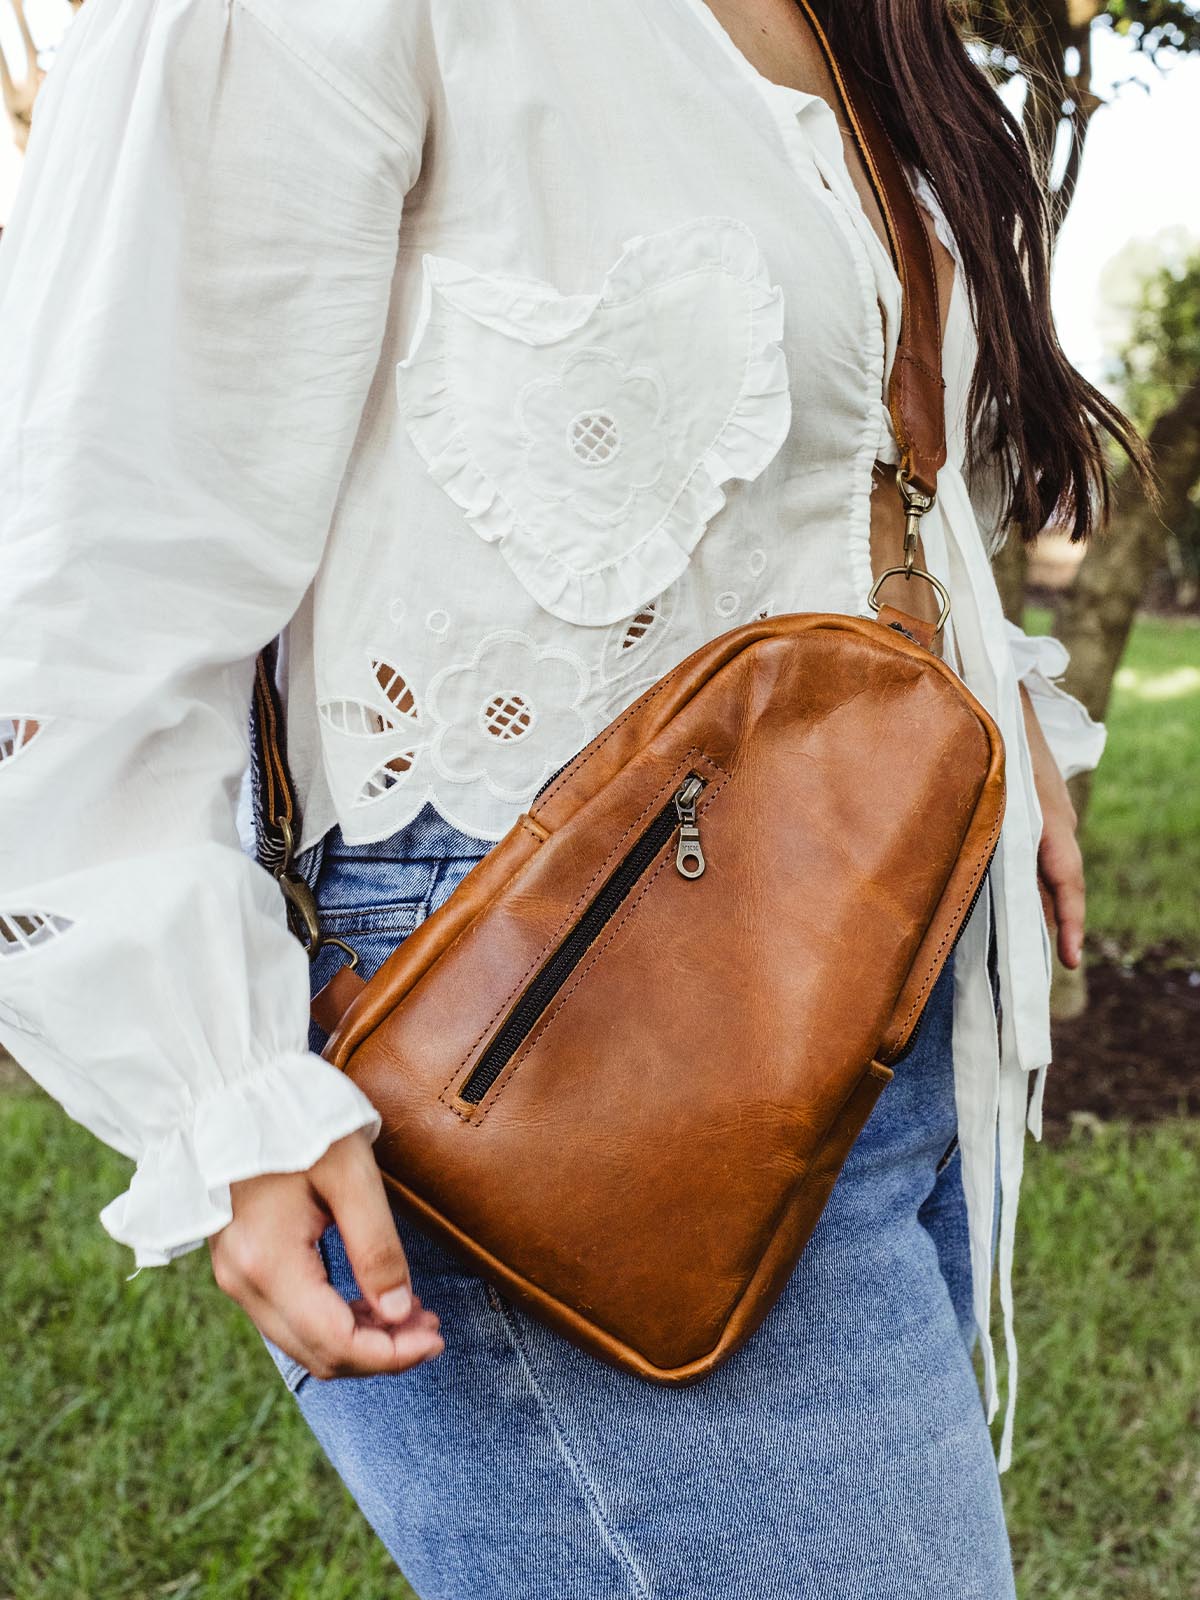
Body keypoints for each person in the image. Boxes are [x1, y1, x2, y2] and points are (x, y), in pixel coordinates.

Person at [0, 1, 1148, 1595]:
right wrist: (214, 1083)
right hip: (533, 1022)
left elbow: (862, 471)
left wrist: (998, 719)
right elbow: (97, 542)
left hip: (863, 993)